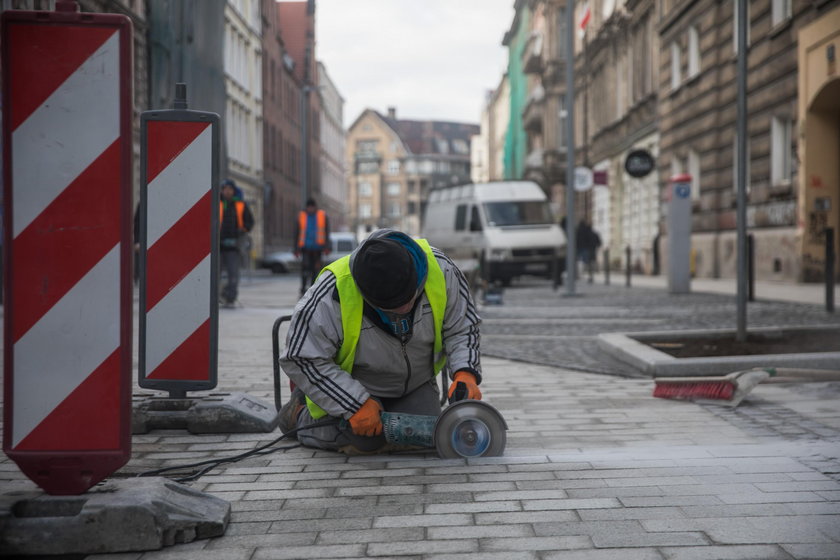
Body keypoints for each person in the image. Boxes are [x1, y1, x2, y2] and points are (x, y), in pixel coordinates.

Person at [277, 228, 482, 455]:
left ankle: (387, 419)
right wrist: (354, 404)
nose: (402, 309)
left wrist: (466, 373)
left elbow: (463, 326)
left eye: (407, 300)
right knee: (363, 441)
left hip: (414, 382)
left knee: (431, 433)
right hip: (357, 383)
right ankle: (298, 414)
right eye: (390, 307)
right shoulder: (332, 291)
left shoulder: (441, 270)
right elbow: (298, 356)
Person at [219, 179, 254, 307]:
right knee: (214, 274)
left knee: (233, 274)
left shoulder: (241, 205)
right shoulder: (216, 203)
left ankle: (230, 298)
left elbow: (250, 222)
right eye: (225, 189)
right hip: (218, 246)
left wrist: (242, 230)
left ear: (233, 191)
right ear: (222, 190)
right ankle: (217, 296)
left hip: (234, 246)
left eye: (230, 189)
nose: (227, 191)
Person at [294, 198, 331, 296]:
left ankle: (313, 289)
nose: (310, 209)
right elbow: (296, 233)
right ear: (306, 207)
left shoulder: (322, 216)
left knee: (316, 271)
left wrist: (327, 247)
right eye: (309, 207)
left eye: (312, 207)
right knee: (305, 270)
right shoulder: (301, 216)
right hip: (305, 249)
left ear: (315, 207)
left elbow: (327, 232)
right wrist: (296, 249)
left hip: (317, 250)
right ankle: (303, 289)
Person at [577, 219, 602, 284]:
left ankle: (582, 274)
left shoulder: (579, 232)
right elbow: (598, 242)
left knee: (582, 262)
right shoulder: (593, 233)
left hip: (583, 248)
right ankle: (590, 275)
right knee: (590, 262)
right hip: (591, 249)